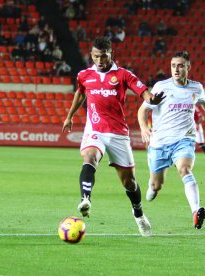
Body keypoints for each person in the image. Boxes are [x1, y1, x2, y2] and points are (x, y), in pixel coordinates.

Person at [62, 37, 164, 237]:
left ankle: (138, 213)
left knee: (129, 182)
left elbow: (142, 90)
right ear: (91, 55)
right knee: (89, 157)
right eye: (96, 56)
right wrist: (70, 116)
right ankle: (86, 198)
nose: (100, 60)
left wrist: (151, 99)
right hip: (95, 129)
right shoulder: (84, 75)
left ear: (111, 54)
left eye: (104, 56)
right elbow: (80, 93)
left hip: (117, 133)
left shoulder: (123, 74)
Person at [138, 51, 205, 229]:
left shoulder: (196, 88)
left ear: (188, 67)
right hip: (159, 143)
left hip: (184, 140)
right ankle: (152, 187)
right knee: (157, 186)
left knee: (184, 169)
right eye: (173, 65)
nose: (176, 69)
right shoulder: (161, 87)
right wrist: (144, 128)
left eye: (180, 65)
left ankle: (195, 211)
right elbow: (143, 110)